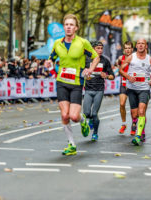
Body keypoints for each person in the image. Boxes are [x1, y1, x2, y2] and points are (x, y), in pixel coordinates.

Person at [46, 14, 100, 155]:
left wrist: (90, 69)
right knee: (65, 115)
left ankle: (82, 121)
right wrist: (48, 63)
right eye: (66, 24)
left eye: (71, 25)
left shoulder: (83, 43)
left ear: (76, 28)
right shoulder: (57, 43)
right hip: (62, 82)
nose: (69, 27)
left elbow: (96, 57)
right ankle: (71, 145)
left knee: (74, 116)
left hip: (76, 83)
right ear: (64, 27)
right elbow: (51, 58)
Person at [119, 38, 151, 145]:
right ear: (136, 46)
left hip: (144, 89)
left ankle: (138, 135)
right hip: (131, 89)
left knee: (142, 111)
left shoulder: (150, 60)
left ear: (146, 46)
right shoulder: (131, 57)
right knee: (134, 114)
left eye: (143, 44)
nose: (140, 45)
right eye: (139, 43)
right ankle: (140, 129)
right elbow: (121, 69)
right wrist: (127, 76)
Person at [83, 41, 115, 141]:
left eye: (101, 48)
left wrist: (106, 76)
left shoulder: (105, 61)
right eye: (98, 48)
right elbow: (80, 71)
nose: (100, 50)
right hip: (88, 89)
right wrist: (83, 73)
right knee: (87, 113)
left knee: (94, 113)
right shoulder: (86, 59)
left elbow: (112, 76)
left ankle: (95, 133)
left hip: (99, 90)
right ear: (93, 49)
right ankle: (91, 120)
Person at [115, 41, 134, 134]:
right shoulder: (120, 58)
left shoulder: (135, 58)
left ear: (132, 49)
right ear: (124, 49)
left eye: (129, 48)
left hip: (133, 85)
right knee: (122, 104)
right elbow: (117, 64)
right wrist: (117, 65)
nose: (127, 50)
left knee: (133, 107)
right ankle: (123, 124)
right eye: (126, 48)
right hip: (123, 84)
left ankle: (134, 125)